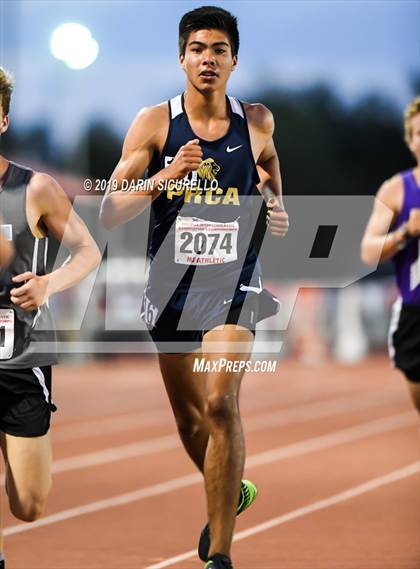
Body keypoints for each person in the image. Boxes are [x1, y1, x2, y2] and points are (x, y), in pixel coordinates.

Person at [101, 6, 289, 568]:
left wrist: (276, 201)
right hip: (172, 287)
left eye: (219, 50)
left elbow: (272, 164)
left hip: (235, 283)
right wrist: (166, 177)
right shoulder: (155, 123)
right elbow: (111, 210)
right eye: (198, 49)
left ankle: (220, 555)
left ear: (234, 60)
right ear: (181, 57)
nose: (208, 59)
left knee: (220, 404)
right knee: (190, 421)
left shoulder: (256, 120)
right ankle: (229, 494)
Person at [0, 67, 101, 569]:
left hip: (20, 361)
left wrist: (47, 284)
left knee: (29, 505)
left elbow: (87, 250)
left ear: (3, 121)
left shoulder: (34, 189)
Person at [361, 96, 420, 415]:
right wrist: (404, 234)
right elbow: (368, 252)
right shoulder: (396, 190)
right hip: (414, 314)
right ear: (411, 141)